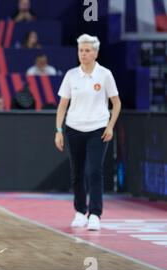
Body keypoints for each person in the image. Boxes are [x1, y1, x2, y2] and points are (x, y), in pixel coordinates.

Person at [55, 34, 121, 231]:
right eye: (81, 50)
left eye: (87, 50)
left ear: (96, 53)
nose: (83, 54)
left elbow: (116, 103)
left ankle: (95, 214)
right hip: (74, 128)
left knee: (94, 171)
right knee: (77, 171)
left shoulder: (105, 75)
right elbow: (62, 105)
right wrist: (59, 130)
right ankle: (79, 211)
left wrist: (110, 126)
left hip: (98, 128)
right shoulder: (71, 75)